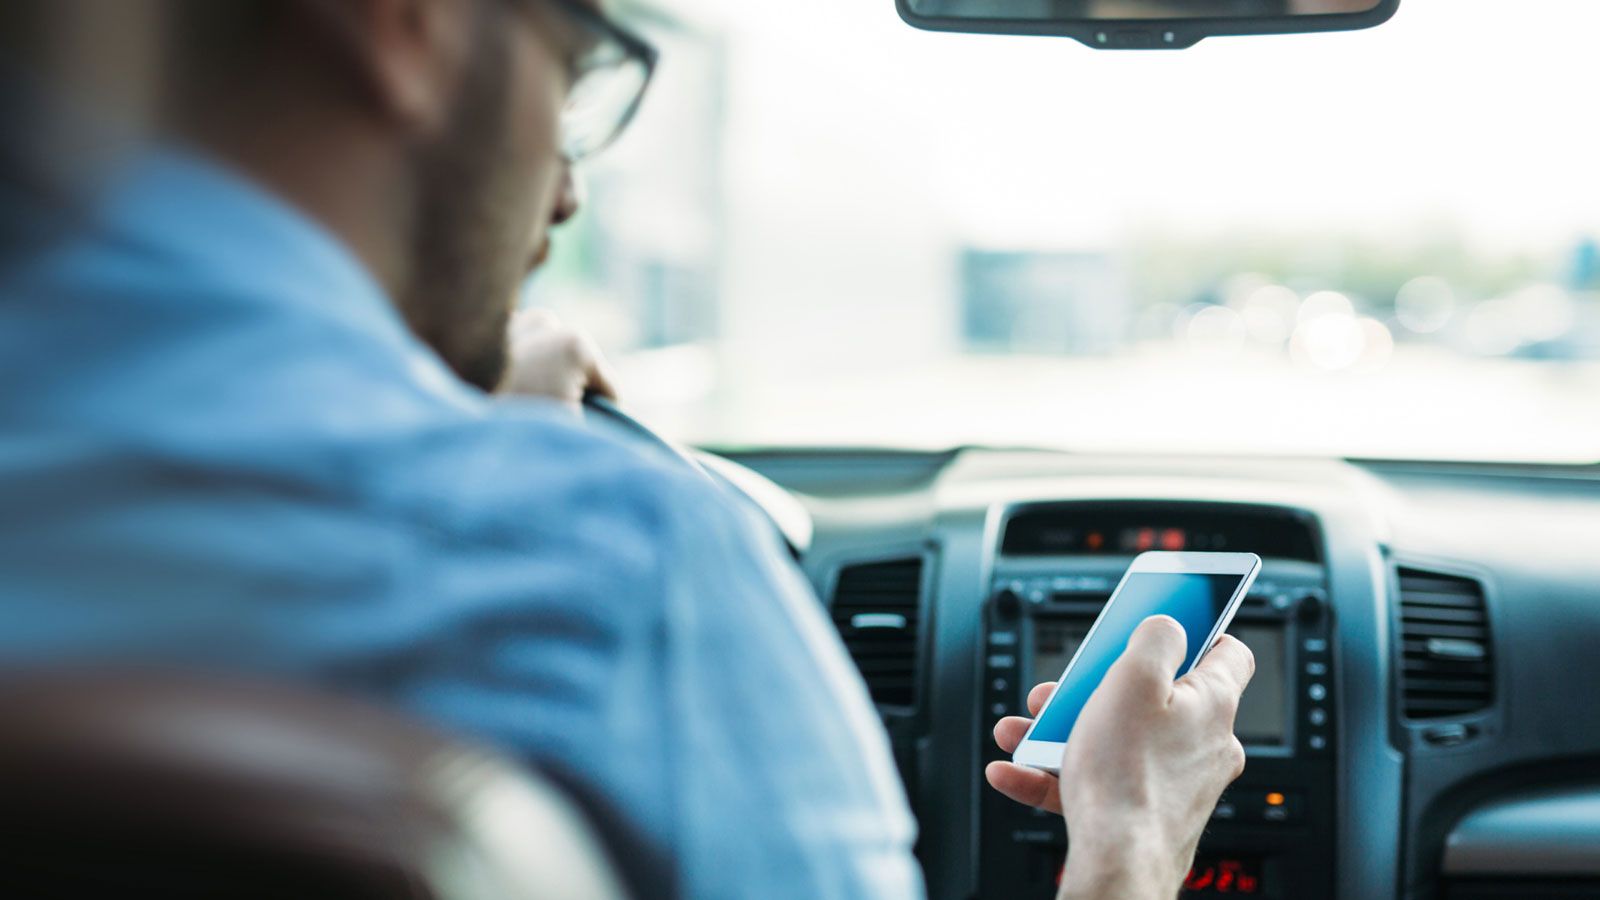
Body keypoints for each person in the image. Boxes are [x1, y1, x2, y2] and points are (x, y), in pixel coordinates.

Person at [0, 1, 1254, 898]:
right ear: (411, 26)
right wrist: (1127, 839)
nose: (565, 195)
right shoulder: (611, 565)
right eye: (572, 65)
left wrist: (485, 436)